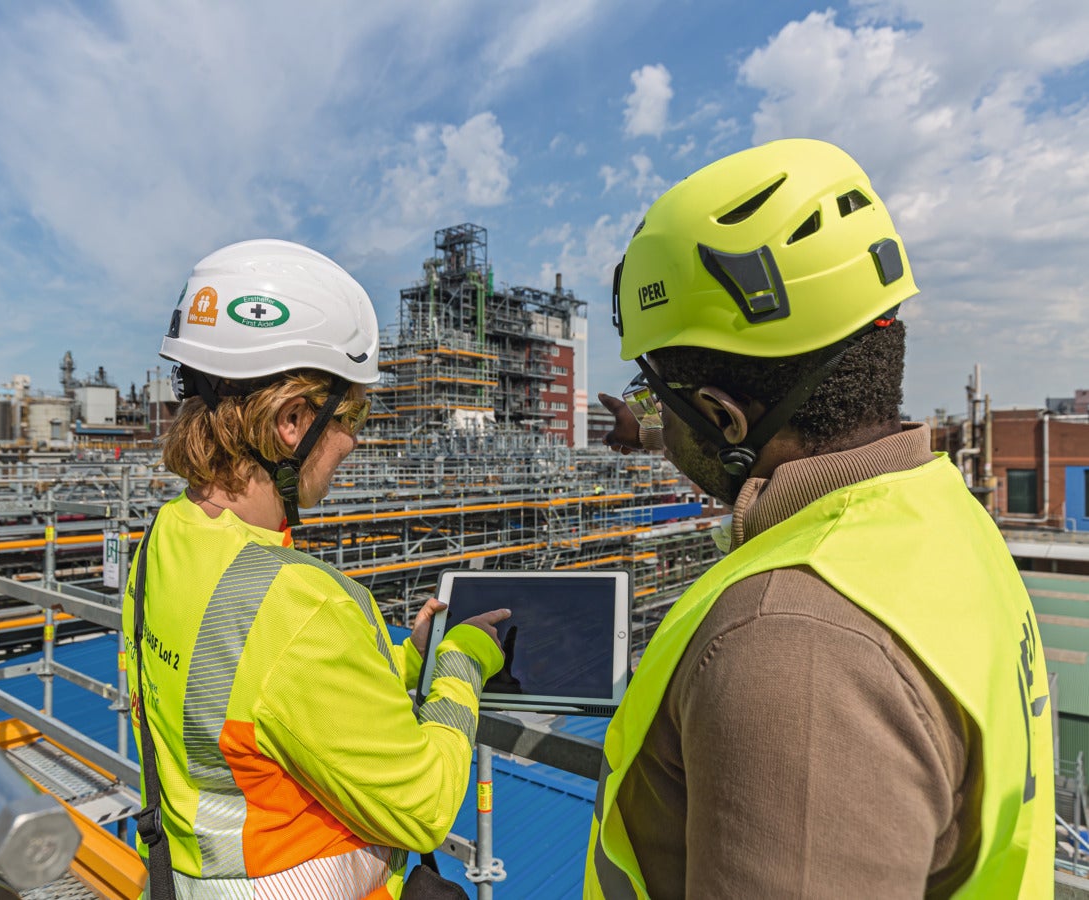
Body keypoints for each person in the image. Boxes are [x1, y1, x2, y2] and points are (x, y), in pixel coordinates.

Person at [586, 139, 1051, 898]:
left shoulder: (792, 647)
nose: (653, 420)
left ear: (720, 415)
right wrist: (657, 427)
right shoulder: (935, 515)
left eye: (658, 400)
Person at [123, 238, 510, 899]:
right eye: (351, 415)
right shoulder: (303, 606)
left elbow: (252, 696)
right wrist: (460, 667)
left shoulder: (164, 539)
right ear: (293, 421)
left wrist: (405, 662)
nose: (355, 440)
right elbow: (423, 807)